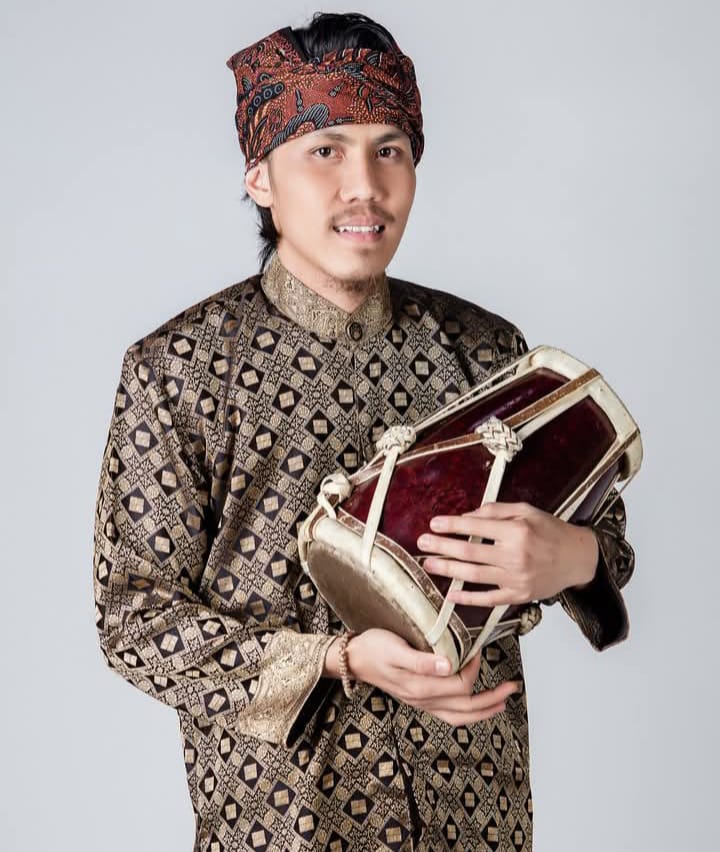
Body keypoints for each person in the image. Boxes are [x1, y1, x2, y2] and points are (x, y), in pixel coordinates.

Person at [93, 12, 636, 851]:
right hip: (284, 819)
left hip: (474, 809)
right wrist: (335, 660)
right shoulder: (179, 370)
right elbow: (135, 620)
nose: (365, 187)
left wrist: (570, 558)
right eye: (325, 150)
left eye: (390, 150)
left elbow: (607, 541)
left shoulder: (485, 351)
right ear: (259, 177)